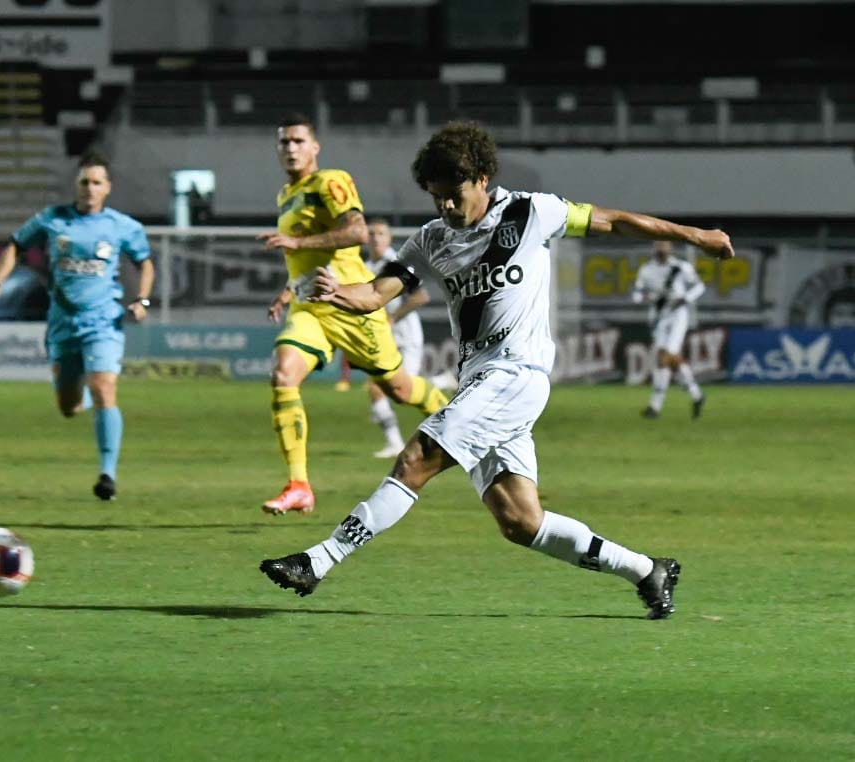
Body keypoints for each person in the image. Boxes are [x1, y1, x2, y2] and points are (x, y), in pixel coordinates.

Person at [260, 121, 735, 619]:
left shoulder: (532, 212)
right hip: (482, 381)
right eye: (436, 197)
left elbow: (613, 221)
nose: (446, 206)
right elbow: (378, 292)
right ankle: (646, 570)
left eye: (454, 194)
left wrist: (695, 236)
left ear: (483, 178)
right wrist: (341, 294)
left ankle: (319, 560)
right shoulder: (430, 239)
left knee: (416, 459)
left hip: (516, 374)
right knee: (520, 522)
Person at [257, 113, 449, 516]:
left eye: (298, 141)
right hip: (309, 306)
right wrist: (288, 289)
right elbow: (304, 258)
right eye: (284, 141)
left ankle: (464, 425)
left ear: (314, 147)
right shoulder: (285, 195)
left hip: (348, 303)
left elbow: (356, 231)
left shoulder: (330, 182)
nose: (290, 148)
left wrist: (297, 241)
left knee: (399, 390)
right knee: (283, 375)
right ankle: (298, 485)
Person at [0, 150, 154, 501]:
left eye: (96, 182)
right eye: (84, 182)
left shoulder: (122, 226)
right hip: (62, 323)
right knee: (69, 406)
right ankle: (83, 394)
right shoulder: (53, 219)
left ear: (108, 187)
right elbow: (16, 244)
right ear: (76, 185)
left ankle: (107, 475)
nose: (90, 188)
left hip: (103, 322)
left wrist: (142, 300)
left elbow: (145, 263)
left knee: (105, 387)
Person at [363, 218, 458, 458]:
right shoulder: (366, 266)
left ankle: (441, 382)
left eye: (381, 233)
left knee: (401, 389)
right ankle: (394, 443)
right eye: (371, 233)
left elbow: (421, 296)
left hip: (406, 336)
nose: (375, 238)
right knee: (378, 387)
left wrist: (393, 317)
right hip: (384, 337)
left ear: (388, 238)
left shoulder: (396, 265)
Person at [632, 241, 707, 419]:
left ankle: (655, 406)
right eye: (659, 245)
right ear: (654, 248)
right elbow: (636, 295)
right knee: (666, 358)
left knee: (664, 356)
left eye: (665, 245)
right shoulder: (646, 269)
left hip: (678, 315)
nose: (662, 249)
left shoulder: (680, 267)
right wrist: (647, 298)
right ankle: (696, 394)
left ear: (670, 248)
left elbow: (699, 286)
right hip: (659, 316)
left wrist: (685, 298)